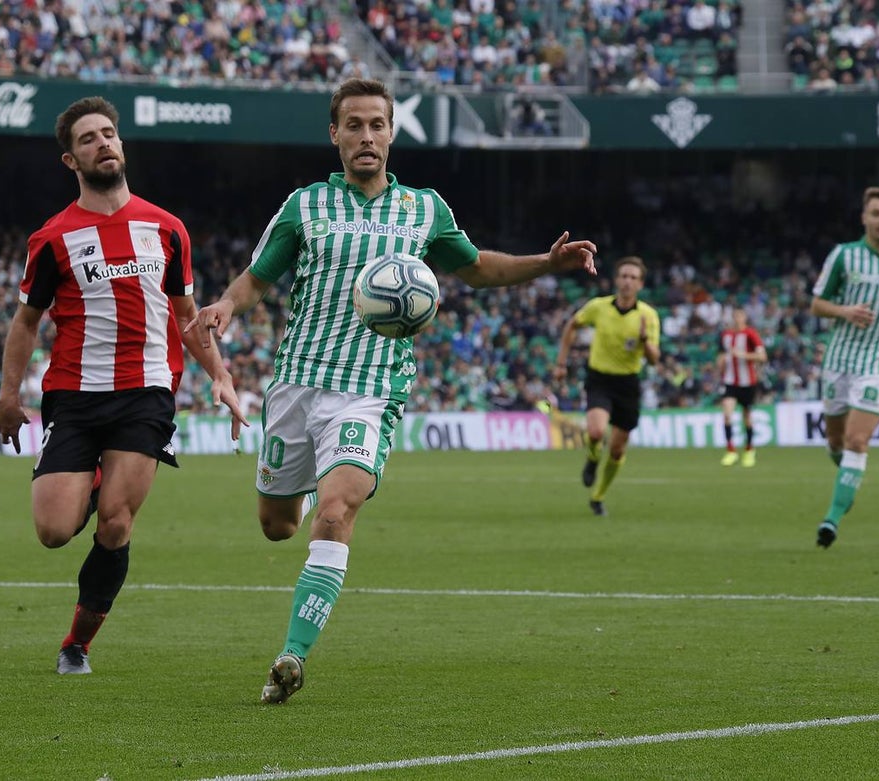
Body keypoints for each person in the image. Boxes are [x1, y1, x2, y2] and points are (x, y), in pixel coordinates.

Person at [189, 77, 597, 704]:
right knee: (277, 525)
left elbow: (479, 268)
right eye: (353, 125)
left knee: (337, 508)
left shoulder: (425, 210)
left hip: (370, 390)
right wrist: (224, 306)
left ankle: (292, 655)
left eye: (376, 124)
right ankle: (296, 495)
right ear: (335, 134)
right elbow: (256, 279)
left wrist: (546, 263)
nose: (366, 136)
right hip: (298, 383)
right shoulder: (304, 207)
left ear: (391, 131)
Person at [0, 96, 248, 674]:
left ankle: (76, 644)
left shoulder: (167, 229)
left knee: (115, 523)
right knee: (54, 531)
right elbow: (25, 323)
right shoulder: (52, 239)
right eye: (88, 139)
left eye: (109, 134)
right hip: (74, 397)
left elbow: (187, 318)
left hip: (146, 393)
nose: (103, 143)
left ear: (122, 145)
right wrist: (9, 399)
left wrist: (223, 378)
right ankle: (96, 474)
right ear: (70, 160)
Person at [810, 186, 879, 548]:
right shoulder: (845, 256)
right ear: (864, 218)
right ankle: (849, 478)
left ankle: (831, 520)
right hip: (839, 360)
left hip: (878, 363)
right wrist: (845, 312)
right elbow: (817, 304)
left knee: (857, 439)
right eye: (877, 214)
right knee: (836, 441)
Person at [554, 257, 661, 517]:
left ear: (640, 284)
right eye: (624, 276)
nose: (627, 281)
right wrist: (561, 362)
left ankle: (598, 496)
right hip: (600, 378)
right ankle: (592, 458)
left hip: (628, 384)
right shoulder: (599, 307)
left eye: (633, 278)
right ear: (616, 280)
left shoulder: (648, 316)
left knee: (617, 449)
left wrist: (645, 341)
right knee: (596, 431)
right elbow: (572, 325)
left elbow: (654, 359)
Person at [718, 305, 767, 466]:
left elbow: (762, 356)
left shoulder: (751, 334)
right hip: (730, 381)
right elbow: (720, 356)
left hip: (748, 382)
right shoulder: (725, 335)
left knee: (747, 416)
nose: (738, 319)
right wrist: (721, 365)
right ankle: (730, 450)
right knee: (727, 414)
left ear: (744, 318)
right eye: (735, 316)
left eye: (740, 316)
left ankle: (749, 450)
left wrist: (743, 355)